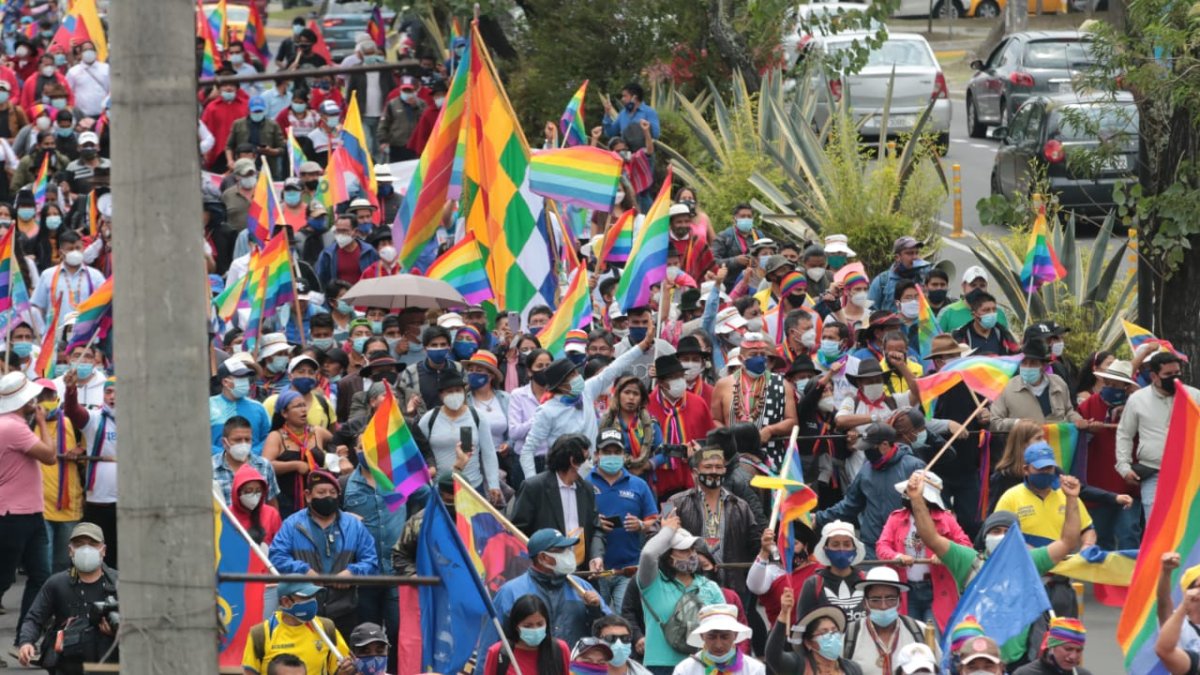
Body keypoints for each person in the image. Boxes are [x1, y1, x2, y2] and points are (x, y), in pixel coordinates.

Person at [905, 473, 1081, 664]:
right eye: (995, 531)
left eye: (1008, 532)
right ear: (985, 536)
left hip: (1019, 662)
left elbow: (1068, 542)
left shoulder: (1029, 561)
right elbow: (931, 537)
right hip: (977, 661)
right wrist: (916, 500)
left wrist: (1071, 498)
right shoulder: (968, 561)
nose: (1001, 536)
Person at [522, 332, 652, 475]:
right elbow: (528, 450)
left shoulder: (586, 390)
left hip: (593, 472)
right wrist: (532, 483)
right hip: (563, 475)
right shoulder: (546, 411)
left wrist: (642, 346)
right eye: (570, 376)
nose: (577, 377)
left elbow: (613, 369)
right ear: (560, 385)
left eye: (575, 373)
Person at [269, 470, 380, 636]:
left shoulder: (354, 526)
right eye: (321, 492)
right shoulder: (292, 524)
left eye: (332, 492)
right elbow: (276, 556)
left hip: (344, 609)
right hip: (302, 610)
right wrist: (303, 571)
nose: (327, 496)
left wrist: (352, 573)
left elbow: (371, 561)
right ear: (308, 495)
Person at [482, 528, 609, 652]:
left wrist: (595, 610)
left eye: (568, 549)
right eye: (561, 550)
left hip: (574, 670)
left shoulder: (582, 587)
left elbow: (610, 631)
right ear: (543, 557)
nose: (569, 554)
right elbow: (490, 643)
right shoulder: (511, 592)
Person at [16, 522, 118, 673]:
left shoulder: (119, 583)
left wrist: (117, 632)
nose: (86, 549)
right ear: (70, 551)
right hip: (69, 664)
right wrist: (26, 642)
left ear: (103, 550)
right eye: (79, 544)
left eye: (92, 544)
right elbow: (34, 618)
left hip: (109, 665)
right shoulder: (56, 583)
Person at [0, 372, 56, 641]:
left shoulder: (13, 424)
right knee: (3, 579)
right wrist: (43, 422)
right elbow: (50, 456)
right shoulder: (13, 426)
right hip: (13, 515)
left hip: (29, 513)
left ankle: (25, 639)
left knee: (41, 575)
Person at [876, 470, 969, 629]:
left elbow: (965, 546)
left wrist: (946, 554)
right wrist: (897, 556)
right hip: (906, 589)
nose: (907, 494)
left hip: (936, 589)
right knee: (910, 634)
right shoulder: (896, 518)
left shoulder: (945, 518)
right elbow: (881, 546)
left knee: (933, 636)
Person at [666, 446, 762, 599]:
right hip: (689, 588)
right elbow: (656, 537)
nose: (714, 471)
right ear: (695, 472)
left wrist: (768, 544)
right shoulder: (674, 502)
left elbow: (755, 543)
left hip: (733, 588)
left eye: (719, 467)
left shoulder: (741, 506)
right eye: (708, 467)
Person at [636, 515, 725, 674]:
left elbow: (724, 627)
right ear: (667, 555)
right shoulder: (653, 583)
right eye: (683, 550)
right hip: (660, 666)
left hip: (702, 665)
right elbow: (648, 555)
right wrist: (667, 531)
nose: (691, 554)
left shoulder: (710, 586)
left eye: (692, 549)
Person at [1117, 351, 1200, 520]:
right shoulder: (1137, 399)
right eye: (1168, 374)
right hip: (1154, 475)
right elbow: (1125, 433)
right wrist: (1123, 467)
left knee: (1191, 527)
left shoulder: (1194, 396)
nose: (1175, 378)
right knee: (1157, 527)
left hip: (1191, 475)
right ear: (1154, 376)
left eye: (1177, 373)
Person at [588, 428, 659, 610]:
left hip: (628, 568)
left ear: (624, 455)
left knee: (624, 618)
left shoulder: (639, 484)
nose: (612, 456)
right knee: (598, 618)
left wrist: (641, 525)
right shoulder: (584, 483)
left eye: (617, 452)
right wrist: (593, 524)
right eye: (607, 452)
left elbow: (655, 521)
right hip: (595, 568)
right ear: (597, 455)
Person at [710, 332, 797, 467]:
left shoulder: (782, 384)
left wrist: (770, 430)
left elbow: (792, 422)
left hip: (770, 456)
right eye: (753, 355)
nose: (759, 358)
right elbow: (715, 419)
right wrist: (730, 437)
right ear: (741, 358)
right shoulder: (724, 384)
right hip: (733, 458)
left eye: (762, 355)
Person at [994, 442, 1099, 547]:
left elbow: (1087, 529)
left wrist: (1087, 547)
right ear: (1026, 469)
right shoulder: (1010, 497)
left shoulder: (1068, 495)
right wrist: (1033, 554)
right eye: (1040, 468)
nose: (1045, 472)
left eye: (1049, 468)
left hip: (1065, 561)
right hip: (1027, 560)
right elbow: (997, 535)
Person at [241, 580, 356, 675]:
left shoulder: (326, 628)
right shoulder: (260, 633)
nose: (312, 602)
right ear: (285, 602)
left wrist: (346, 670)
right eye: (306, 598)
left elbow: (341, 669)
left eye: (313, 597)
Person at [418, 369, 501, 501]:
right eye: (449, 392)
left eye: (458, 390)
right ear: (441, 395)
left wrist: (493, 485)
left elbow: (489, 453)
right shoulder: (429, 419)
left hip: (473, 487)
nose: (454, 394)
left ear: (464, 392)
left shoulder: (477, 417)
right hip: (441, 489)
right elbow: (421, 451)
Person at [841, 566, 938, 675]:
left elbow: (940, 668)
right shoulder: (850, 635)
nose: (883, 606)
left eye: (890, 599)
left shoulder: (920, 631)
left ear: (900, 601)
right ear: (865, 603)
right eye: (875, 600)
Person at [646, 354, 712, 497]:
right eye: (673, 377)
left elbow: (710, 441)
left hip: (692, 481)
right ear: (661, 382)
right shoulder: (647, 407)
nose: (680, 381)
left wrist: (699, 453)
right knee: (667, 517)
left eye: (681, 376)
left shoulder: (698, 404)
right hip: (659, 483)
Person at [991, 339, 1088, 432]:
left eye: (1033, 363)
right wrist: (1017, 423)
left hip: (1056, 445)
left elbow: (1069, 412)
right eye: (1024, 363)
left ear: (1044, 366)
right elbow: (995, 422)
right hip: (1023, 446)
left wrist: (1078, 420)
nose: (1027, 367)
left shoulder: (1058, 384)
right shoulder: (1007, 387)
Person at [262, 390, 334, 516]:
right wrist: (295, 465)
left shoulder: (317, 432)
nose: (303, 410)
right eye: (297, 406)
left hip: (318, 499)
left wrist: (339, 454)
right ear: (284, 413)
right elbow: (266, 464)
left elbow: (337, 442)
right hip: (286, 501)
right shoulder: (276, 436)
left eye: (304, 405)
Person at [766, 597, 862, 675]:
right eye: (824, 632)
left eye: (834, 631)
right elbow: (773, 656)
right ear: (808, 643)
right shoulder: (798, 666)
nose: (832, 636)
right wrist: (784, 614)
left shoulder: (852, 669)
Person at [482, 593, 570, 675]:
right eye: (528, 626)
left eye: (540, 624)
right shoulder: (498, 652)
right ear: (516, 626)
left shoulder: (560, 649)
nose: (535, 629)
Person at [671, 604, 764, 675]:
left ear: (735, 635)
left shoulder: (754, 670)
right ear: (702, 636)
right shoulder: (685, 670)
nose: (718, 645)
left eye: (724, 637)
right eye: (712, 637)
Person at [213, 415, 281, 506]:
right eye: (237, 440)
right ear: (225, 442)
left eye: (247, 439)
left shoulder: (264, 465)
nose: (243, 444)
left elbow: (272, 504)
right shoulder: (212, 467)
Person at [210, 357, 272, 455]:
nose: (245, 381)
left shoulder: (259, 408)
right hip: (217, 467)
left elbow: (268, 437)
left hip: (252, 466)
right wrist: (224, 456)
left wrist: (251, 455)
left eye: (246, 377)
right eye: (240, 378)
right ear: (225, 382)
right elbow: (198, 438)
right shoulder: (208, 407)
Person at [936, 266, 1010, 333]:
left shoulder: (998, 313)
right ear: (963, 286)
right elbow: (934, 343)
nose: (977, 289)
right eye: (973, 285)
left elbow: (1008, 342)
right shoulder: (948, 313)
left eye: (982, 285)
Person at [867, 237, 928, 313]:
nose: (915, 257)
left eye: (916, 253)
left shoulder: (922, 279)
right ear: (897, 257)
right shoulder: (882, 281)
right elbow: (869, 312)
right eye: (909, 253)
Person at [1011, 617, 1089, 675]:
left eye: (1079, 650)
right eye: (1068, 649)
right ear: (1052, 647)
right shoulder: (1025, 673)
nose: (1073, 656)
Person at [951, 292, 1018, 356]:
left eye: (994, 309)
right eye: (986, 310)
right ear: (974, 315)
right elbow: (957, 361)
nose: (992, 313)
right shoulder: (961, 334)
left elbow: (1016, 354)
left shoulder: (1003, 332)